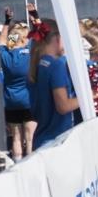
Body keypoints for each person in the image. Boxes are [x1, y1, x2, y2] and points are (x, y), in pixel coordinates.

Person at [28, 19, 79, 150]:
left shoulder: (37, 64)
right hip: (56, 141)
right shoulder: (56, 65)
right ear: (57, 38)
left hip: (42, 139)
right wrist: (90, 96)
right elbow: (63, 106)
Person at [0, 11, 36, 161]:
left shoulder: (6, 56)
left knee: (16, 137)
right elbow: (39, 37)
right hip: (29, 99)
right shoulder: (31, 53)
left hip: (11, 101)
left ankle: (17, 163)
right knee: (30, 137)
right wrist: (34, 20)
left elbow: (3, 41)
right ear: (24, 38)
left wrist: (7, 22)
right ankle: (30, 163)